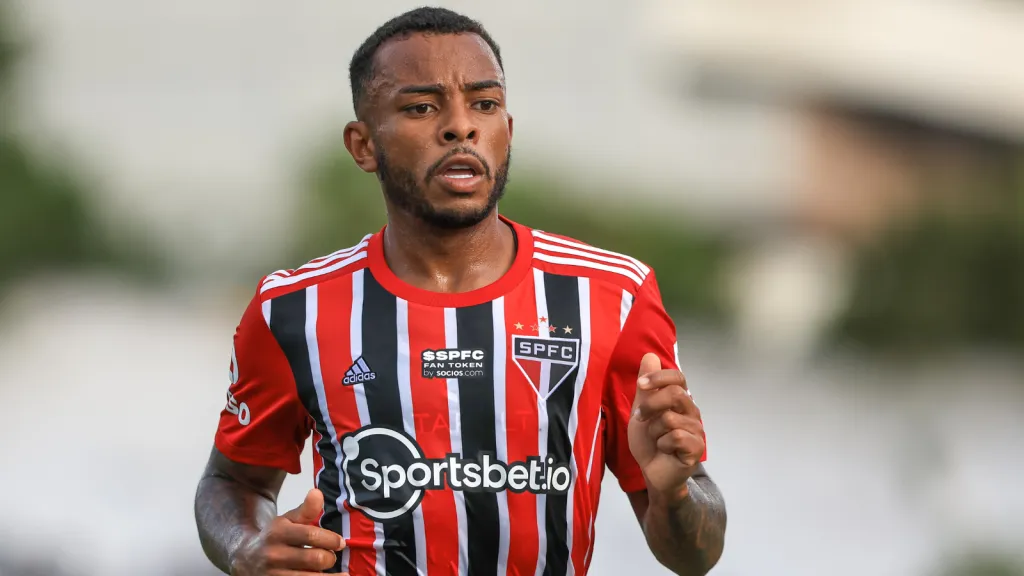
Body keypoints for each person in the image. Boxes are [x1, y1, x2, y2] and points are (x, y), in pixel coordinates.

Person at [194, 7, 726, 576]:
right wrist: (246, 549)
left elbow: (695, 555)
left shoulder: (612, 298)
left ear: (507, 132)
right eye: (422, 107)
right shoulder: (294, 310)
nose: (460, 126)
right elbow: (232, 482)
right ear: (362, 145)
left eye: (484, 104)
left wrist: (673, 495)